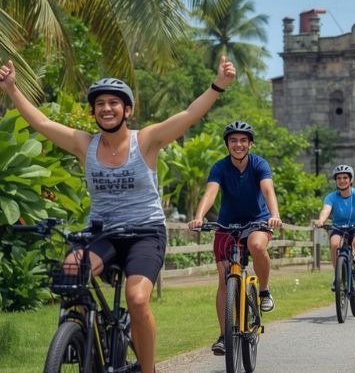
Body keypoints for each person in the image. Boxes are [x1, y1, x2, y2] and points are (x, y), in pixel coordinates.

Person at [0, 57, 236, 372]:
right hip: (103, 233)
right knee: (71, 272)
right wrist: (12, 89)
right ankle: (82, 337)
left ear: (127, 110)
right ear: (93, 111)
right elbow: (42, 123)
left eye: (114, 103)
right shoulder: (84, 144)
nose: (107, 108)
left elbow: (189, 114)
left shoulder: (147, 140)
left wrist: (219, 83)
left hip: (145, 233)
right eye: (100, 104)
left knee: (137, 299)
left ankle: (147, 368)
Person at [187, 120, 282, 356]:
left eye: (243, 140)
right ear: (227, 144)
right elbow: (211, 192)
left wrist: (275, 215)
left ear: (250, 144)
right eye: (233, 140)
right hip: (227, 224)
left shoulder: (259, 164)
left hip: (258, 221)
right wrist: (199, 216)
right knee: (224, 279)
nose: (238, 145)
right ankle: (223, 335)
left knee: (256, 244)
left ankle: (264, 290)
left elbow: (268, 190)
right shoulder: (219, 167)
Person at [314, 164, 355, 291]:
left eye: (345, 178)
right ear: (336, 181)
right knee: (334, 244)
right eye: (339, 178)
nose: (342, 181)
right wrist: (321, 220)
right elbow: (326, 209)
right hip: (339, 227)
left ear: (351, 179)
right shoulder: (331, 197)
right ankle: (337, 277)